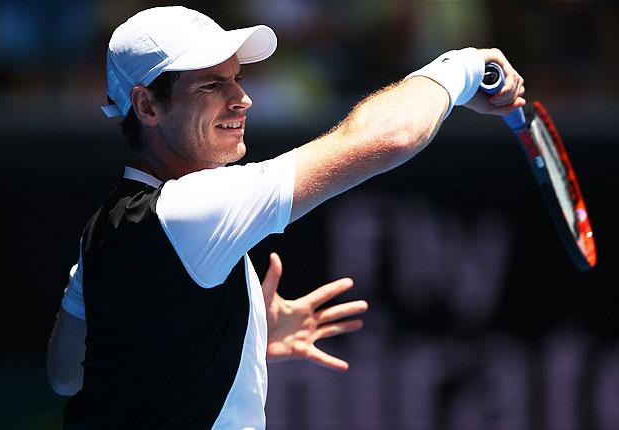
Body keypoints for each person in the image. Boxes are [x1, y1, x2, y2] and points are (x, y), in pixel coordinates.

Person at [46, 6, 525, 430]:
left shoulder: (104, 233)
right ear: (147, 106)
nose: (241, 98)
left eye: (237, 78)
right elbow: (391, 136)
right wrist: (460, 67)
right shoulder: (192, 210)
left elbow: (66, 375)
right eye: (212, 84)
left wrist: (225, 332)